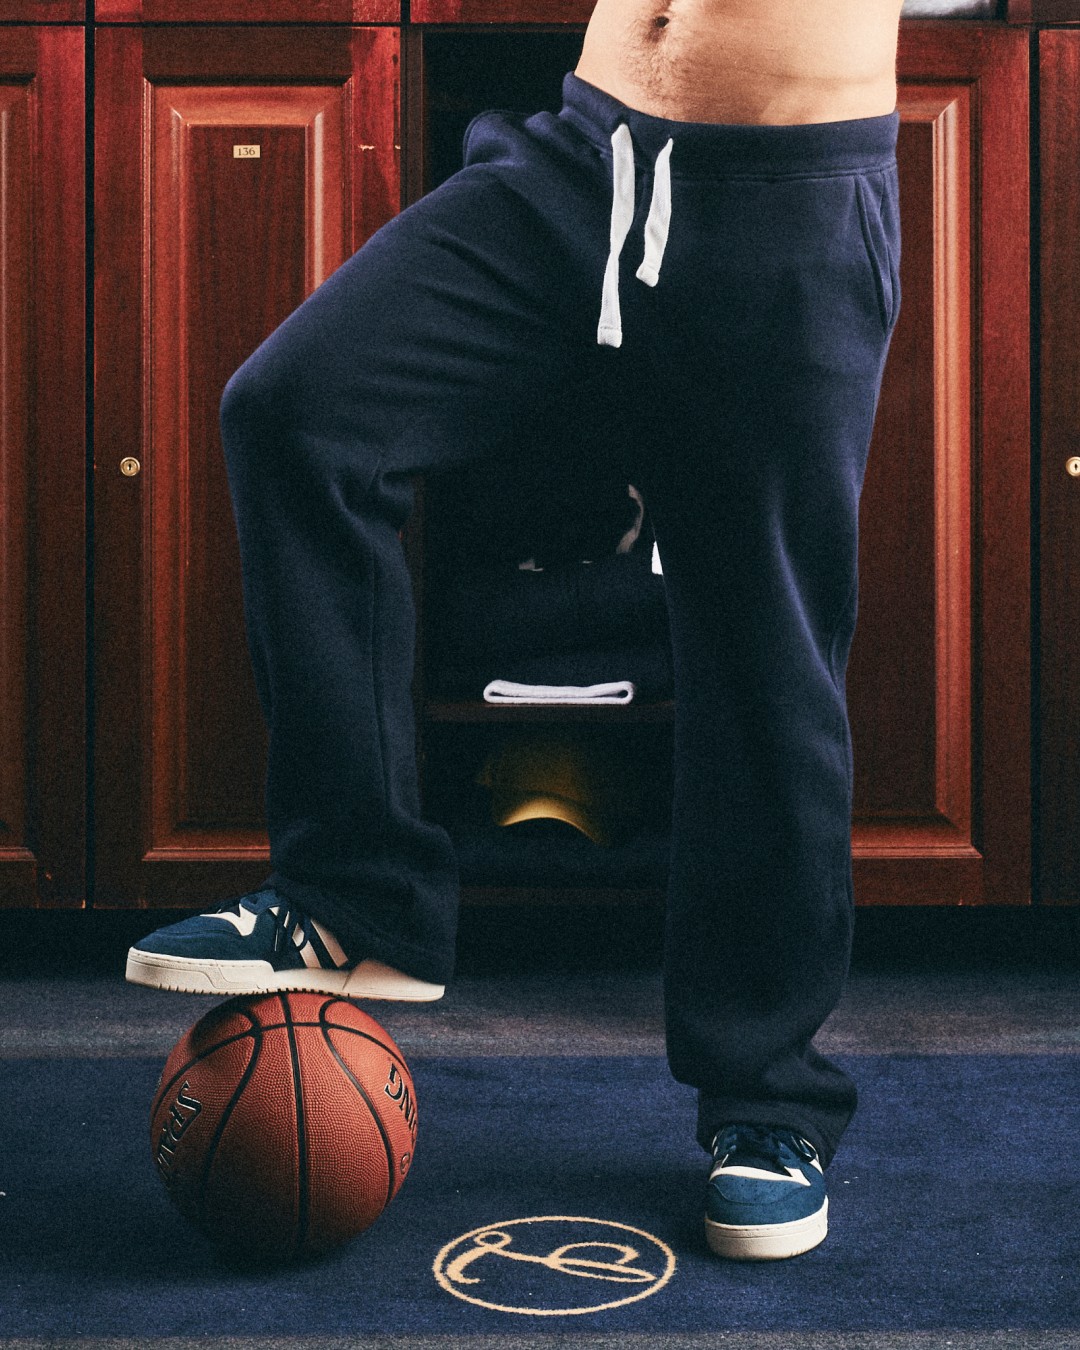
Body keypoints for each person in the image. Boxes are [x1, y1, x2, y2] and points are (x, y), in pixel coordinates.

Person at [126, 0, 906, 1261]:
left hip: (784, 191)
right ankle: (354, 896)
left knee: (765, 648)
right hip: (578, 163)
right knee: (300, 410)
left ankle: (770, 1101)